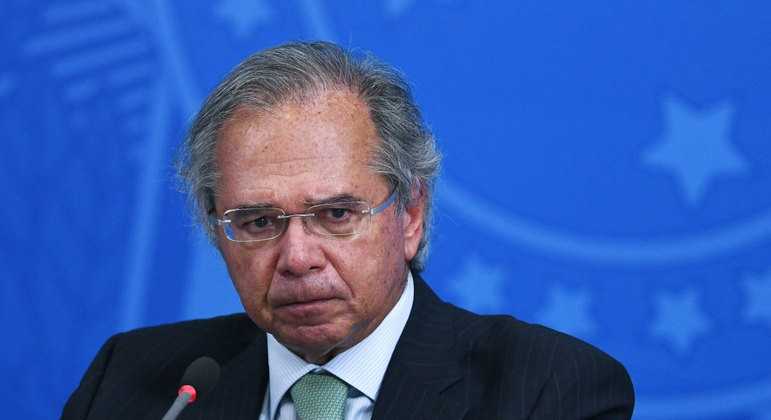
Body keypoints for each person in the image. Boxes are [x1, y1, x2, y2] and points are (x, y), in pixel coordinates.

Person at [63, 41, 634, 419]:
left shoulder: (546, 391)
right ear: (217, 231)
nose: (298, 258)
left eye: (336, 215)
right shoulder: (132, 384)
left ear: (411, 215)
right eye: (259, 222)